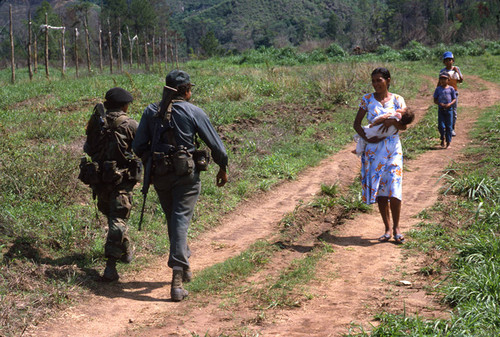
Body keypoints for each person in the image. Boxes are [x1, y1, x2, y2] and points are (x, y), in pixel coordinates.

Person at [132, 70, 228, 302]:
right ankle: (177, 277)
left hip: (161, 175)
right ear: (185, 91)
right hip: (186, 175)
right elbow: (217, 146)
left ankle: (184, 268)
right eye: (190, 89)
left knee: (174, 219)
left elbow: (137, 146)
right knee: (180, 219)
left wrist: (155, 161)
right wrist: (222, 168)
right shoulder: (193, 111)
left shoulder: (150, 111)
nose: (191, 93)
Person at [79, 87, 141, 281]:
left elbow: (88, 148)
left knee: (114, 217)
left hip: (100, 179)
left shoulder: (95, 123)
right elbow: (141, 147)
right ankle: (110, 266)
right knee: (117, 219)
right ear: (124, 105)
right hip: (120, 181)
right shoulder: (130, 124)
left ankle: (125, 250)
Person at [353, 67, 410, 244]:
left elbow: (404, 126)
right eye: (374, 81)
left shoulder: (398, 100)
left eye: (379, 80)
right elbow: (356, 124)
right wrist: (369, 138)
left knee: (394, 187)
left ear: (388, 80)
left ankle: (397, 228)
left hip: (393, 148)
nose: (376, 84)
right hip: (373, 150)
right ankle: (386, 229)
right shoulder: (367, 100)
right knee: (381, 191)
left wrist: (392, 120)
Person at [439, 51, 463, 136]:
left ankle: (452, 128)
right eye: (446, 60)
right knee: (445, 111)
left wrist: (457, 72)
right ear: (444, 62)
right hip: (445, 93)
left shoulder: (456, 69)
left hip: (454, 93)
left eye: (450, 60)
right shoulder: (443, 71)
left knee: (454, 112)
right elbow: (439, 83)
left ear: (453, 60)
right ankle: (446, 127)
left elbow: (461, 80)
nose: (448, 62)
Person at [433, 72, 457, 148]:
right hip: (441, 109)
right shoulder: (438, 89)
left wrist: (450, 104)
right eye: (441, 79)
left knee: (449, 126)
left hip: (449, 109)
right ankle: (442, 137)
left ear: (448, 79)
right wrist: (440, 104)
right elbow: (435, 100)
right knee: (441, 126)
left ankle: (448, 142)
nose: (443, 81)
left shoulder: (451, 89)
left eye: (444, 79)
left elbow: (454, 99)